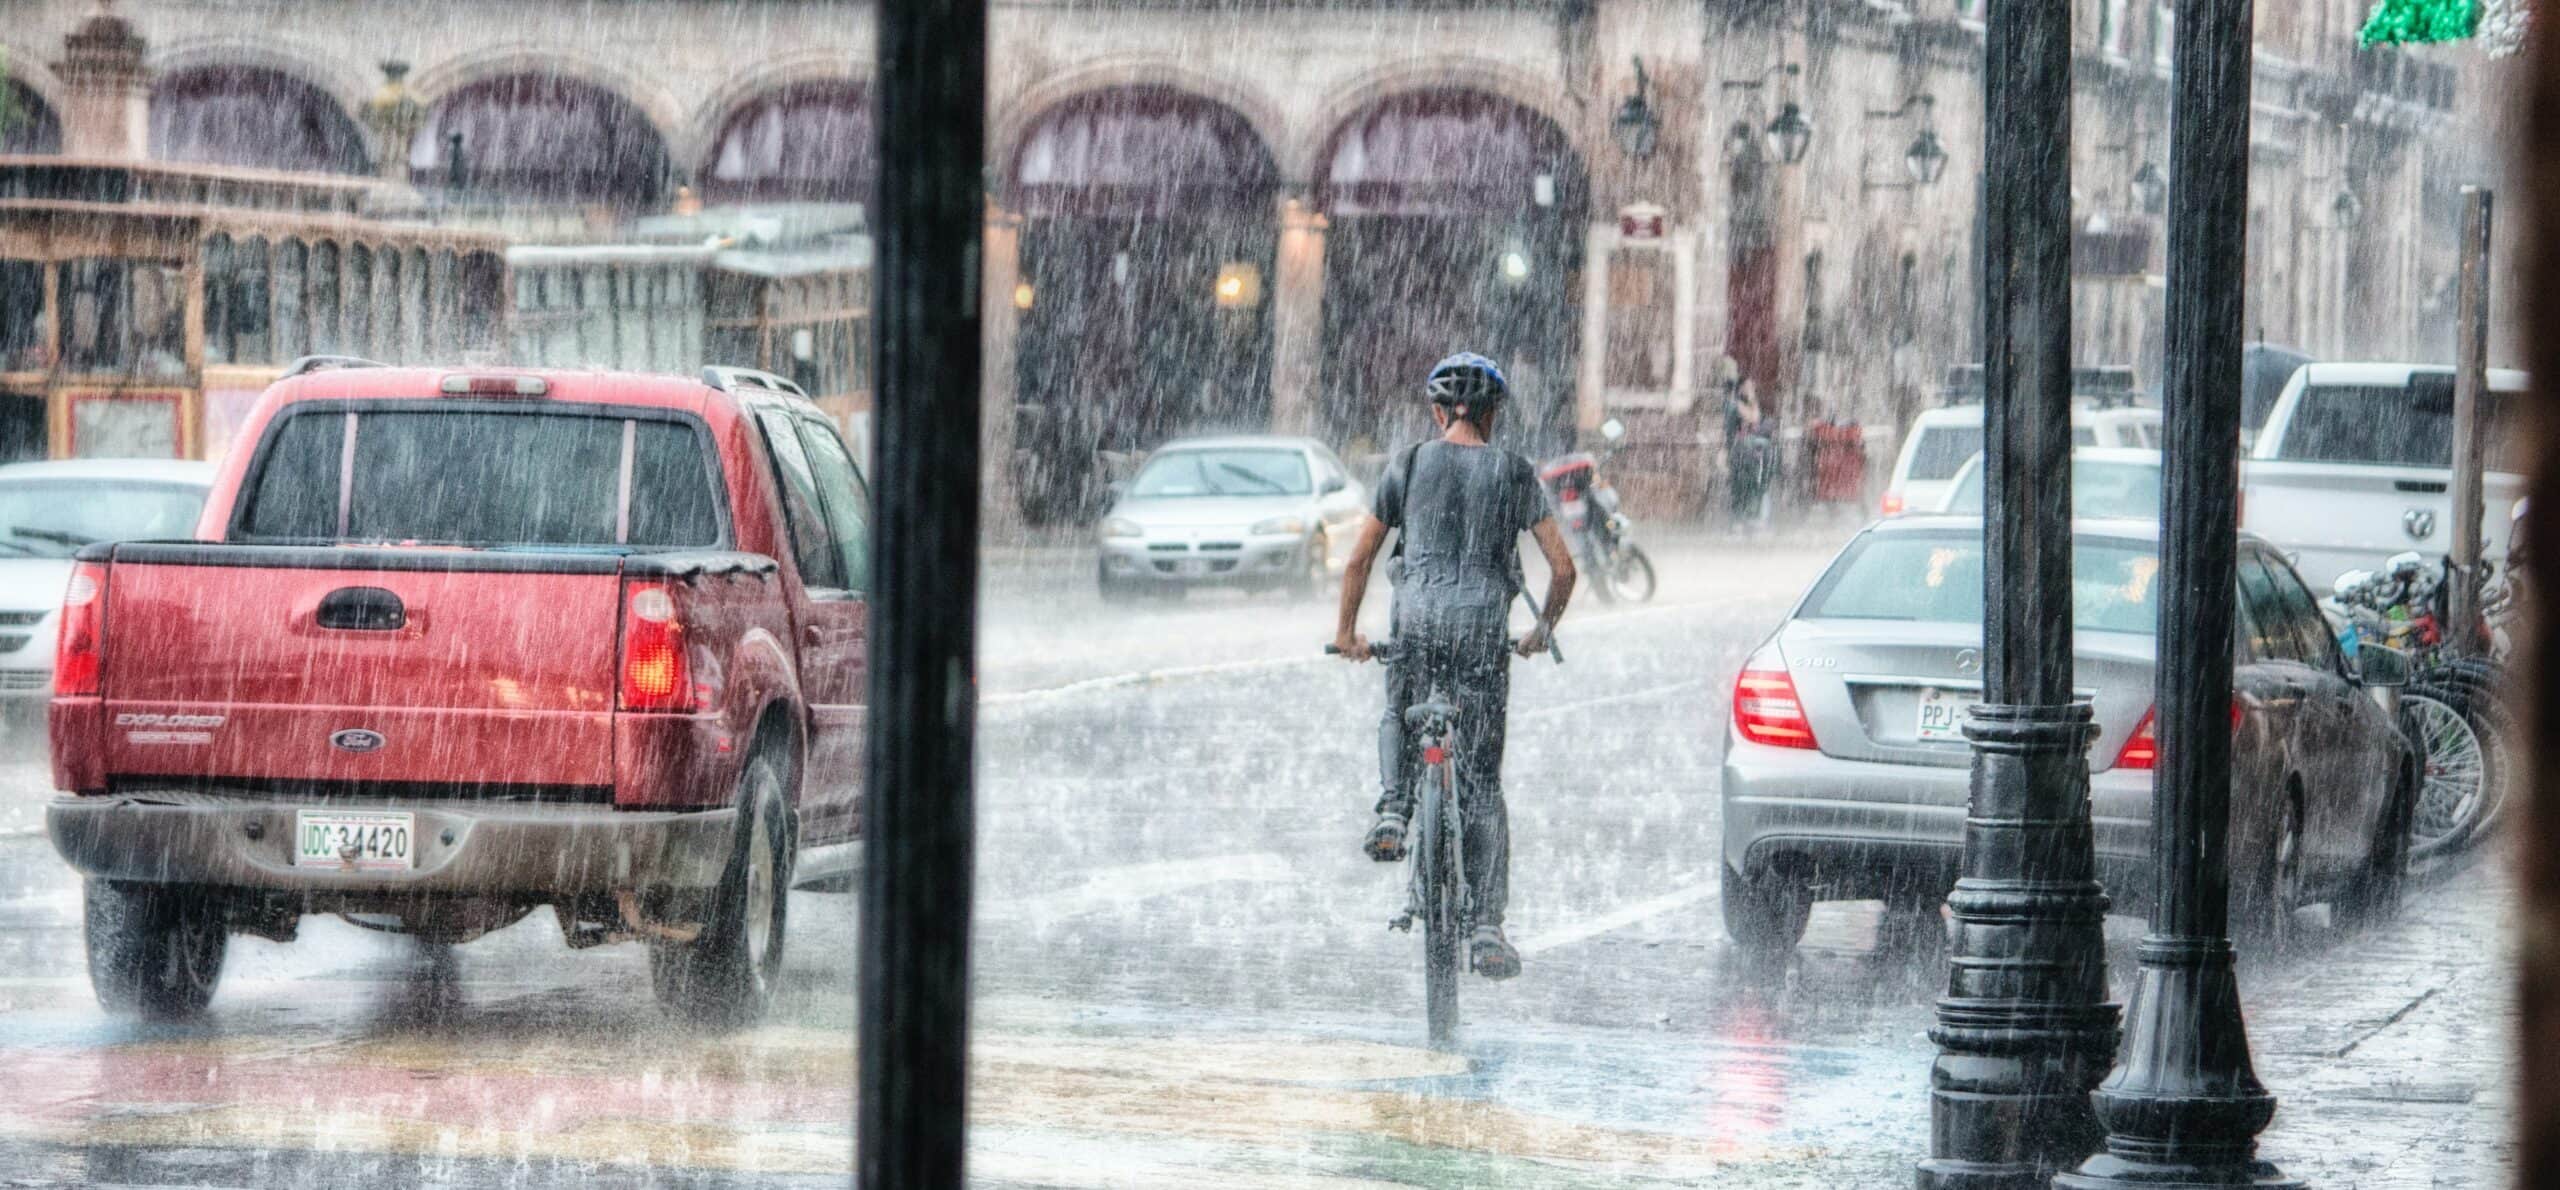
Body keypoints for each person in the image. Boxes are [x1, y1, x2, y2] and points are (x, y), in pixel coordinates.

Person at [1331, 351, 1578, 981]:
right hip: (1480, 633)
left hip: (1416, 623)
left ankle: (1392, 808)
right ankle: (1488, 927)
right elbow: (1563, 568)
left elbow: (1359, 559)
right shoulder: (1515, 473)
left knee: (1399, 706)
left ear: (1438, 412)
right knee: (1482, 784)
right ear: (1493, 414)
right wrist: (1539, 630)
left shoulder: (1409, 463)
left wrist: (1347, 633)